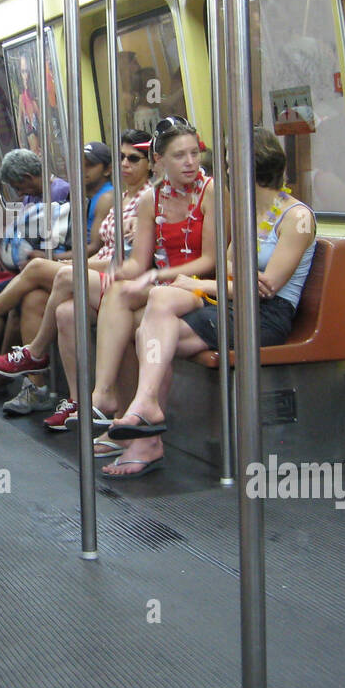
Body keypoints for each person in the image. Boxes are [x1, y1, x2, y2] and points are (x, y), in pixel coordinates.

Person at [102, 127, 315, 477]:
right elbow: (236, 275)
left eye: (231, 164)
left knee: (150, 335)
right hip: (233, 304)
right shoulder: (249, 213)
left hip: (267, 317)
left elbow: (269, 287)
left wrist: (205, 283)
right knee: (158, 304)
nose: (227, 172)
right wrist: (234, 282)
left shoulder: (296, 218)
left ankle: (146, 430)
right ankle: (147, 412)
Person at [0, 132, 153, 431]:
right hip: (104, 270)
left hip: (127, 280)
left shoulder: (146, 201)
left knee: (47, 269)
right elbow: (105, 248)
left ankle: (19, 344)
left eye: (134, 159)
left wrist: (71, 263)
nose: (126, 164)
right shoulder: (120, 199)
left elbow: (127, 259)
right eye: (122, 158)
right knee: (59, 309)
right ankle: (78, 400)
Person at [0, 141, 115, 395]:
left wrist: (57, 259)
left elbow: (86, 244)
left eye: (89, 166)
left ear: (106, 169)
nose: (82, 171)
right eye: (79, 165)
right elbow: (14, 234)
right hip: (45, 264)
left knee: (23, 292)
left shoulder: (74, 195)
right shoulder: (39, 196)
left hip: (66, 264)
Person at [85, 117, 218, 444]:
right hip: (163, 286)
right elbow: (139, 262)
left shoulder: (211, 191)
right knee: (117, 293)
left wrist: (157, 275)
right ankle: (106, 397)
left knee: (138, 325)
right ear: (160, 161)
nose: (189, 163)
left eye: (193, 153)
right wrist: (120, 272)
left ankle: (136, 430)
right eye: (179, 156)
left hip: (199, 287)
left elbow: (210, 260)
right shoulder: (151, 200)